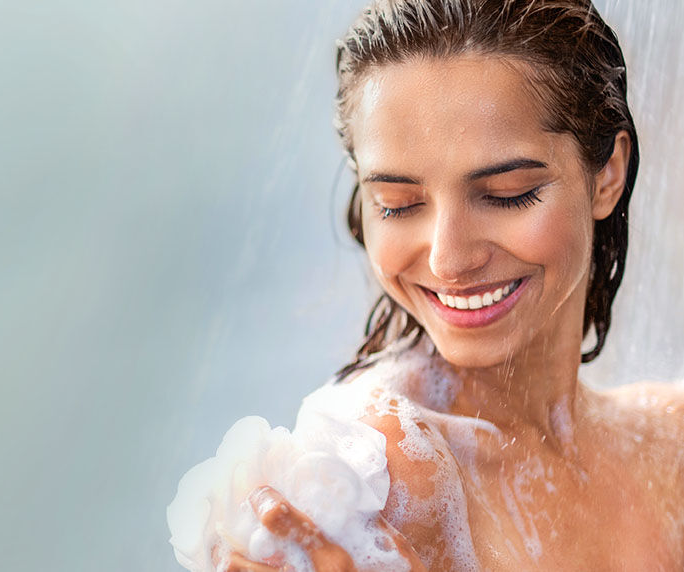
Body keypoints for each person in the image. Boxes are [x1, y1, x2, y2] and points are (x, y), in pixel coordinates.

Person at [217, 0, 684, 570]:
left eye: (508, 193)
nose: (449, 258)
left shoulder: (670, 442)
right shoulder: (370, 484)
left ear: (607, 174)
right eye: (398, 204)